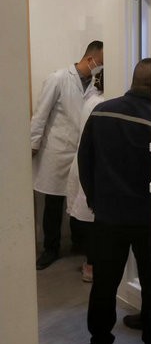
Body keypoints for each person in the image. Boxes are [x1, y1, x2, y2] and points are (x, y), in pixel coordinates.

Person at [78, 58, 151, 344]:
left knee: (105, 283)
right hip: (149, 219)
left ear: (134, 80)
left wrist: (95, 200)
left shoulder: (102, 112)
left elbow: (85, 160)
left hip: (108, 216)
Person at [31, 41, 104, 270]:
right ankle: (50, 249)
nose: (102, 67)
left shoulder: (96, 87)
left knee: (78, 199)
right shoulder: (58, 78)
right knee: (53, 203)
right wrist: (33, 143)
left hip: (80, 151)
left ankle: (78, 243)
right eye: (101, 62)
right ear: (90, 58)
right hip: (57, 149)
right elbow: (40, 114)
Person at [66, 70, 105, 283]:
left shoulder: (92, 99)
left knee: (90, 217)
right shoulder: (101, 103)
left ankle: (90, 264)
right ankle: (91, 265)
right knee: (93, 220)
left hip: (85, 160)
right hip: (93, 163)